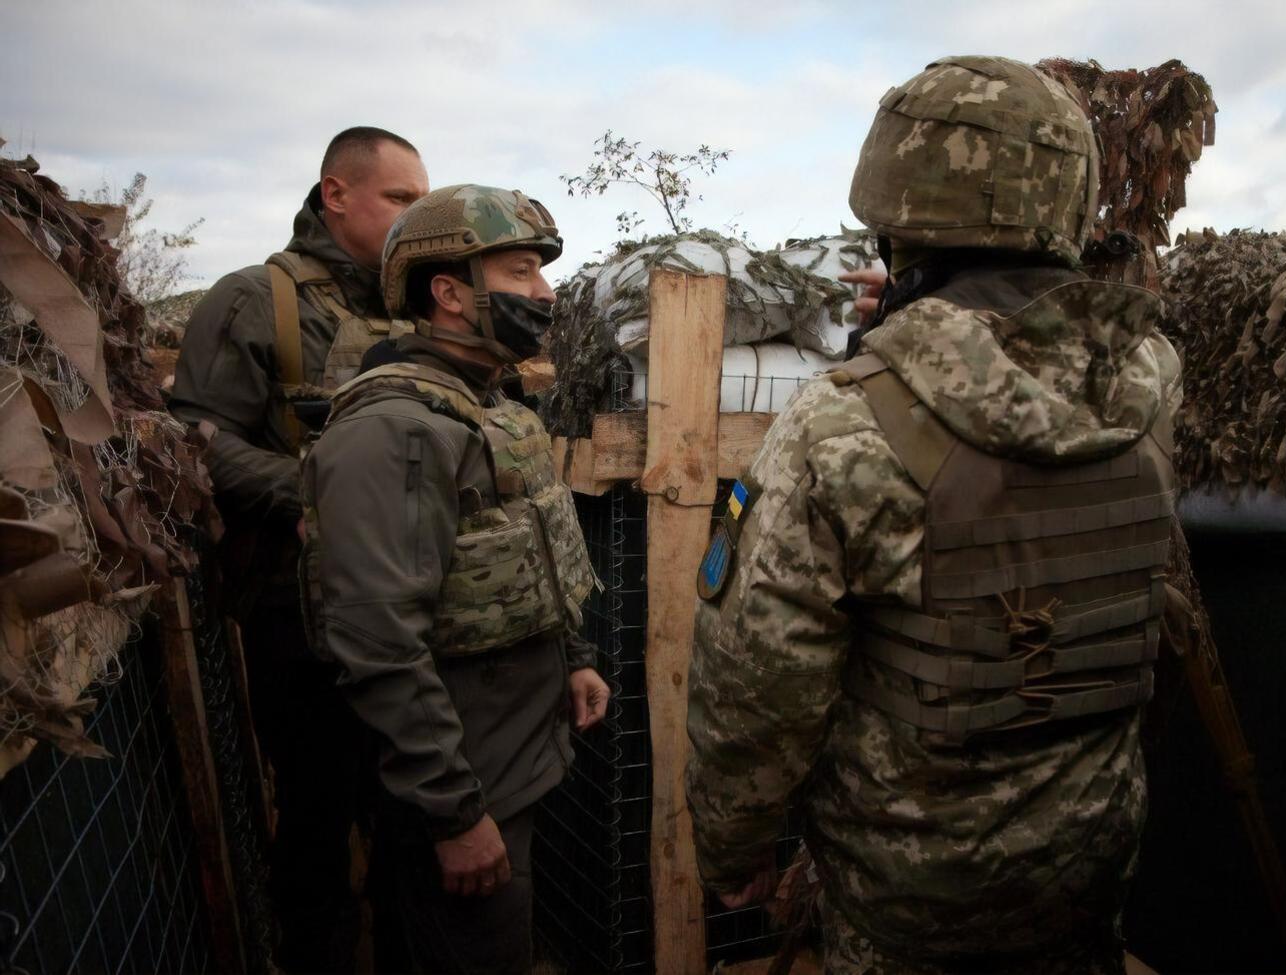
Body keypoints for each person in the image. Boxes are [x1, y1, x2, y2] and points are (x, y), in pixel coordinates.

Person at [686, 56, 1184, 975]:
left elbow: (754, 685)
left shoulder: (839, 423)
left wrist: (731, 850)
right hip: (1091, 867)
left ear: (895, 215)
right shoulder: (1151, 385)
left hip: (909, 901)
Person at [299, 184, 611, 974]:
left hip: (508, 757)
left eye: (542, 272)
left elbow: (524, 547)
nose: (544, 292)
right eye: (519, 273)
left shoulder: (488, 407)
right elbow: (376, 640)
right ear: (448, 293)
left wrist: (570, 654)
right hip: (462, 783)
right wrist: (454, 814)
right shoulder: (395, 430)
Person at [169, 126, 429, 972]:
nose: (412, 217)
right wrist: (312, 493)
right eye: (400, 199)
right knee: (317, 827)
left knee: (411, 827)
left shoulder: (413, 309)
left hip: (411, 612)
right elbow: (194, 437)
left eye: (422, 203)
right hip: (300, 617)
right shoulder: (254, 300)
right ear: (336, 194)